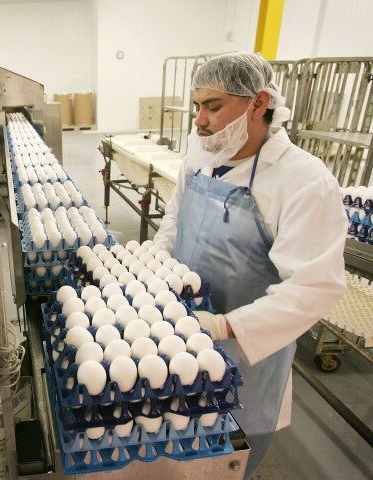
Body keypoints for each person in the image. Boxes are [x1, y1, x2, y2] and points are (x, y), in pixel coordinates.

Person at [153, 52, 346, 477]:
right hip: (178, 341)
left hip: (246, 363)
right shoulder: (198, 159)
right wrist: (154, 264)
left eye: (214, 106)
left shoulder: (302, 182)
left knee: (225, 462)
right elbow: (173, 220)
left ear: (258, 103)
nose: (199, 120)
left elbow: (314, 287)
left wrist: (225, 327)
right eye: (197, 106)